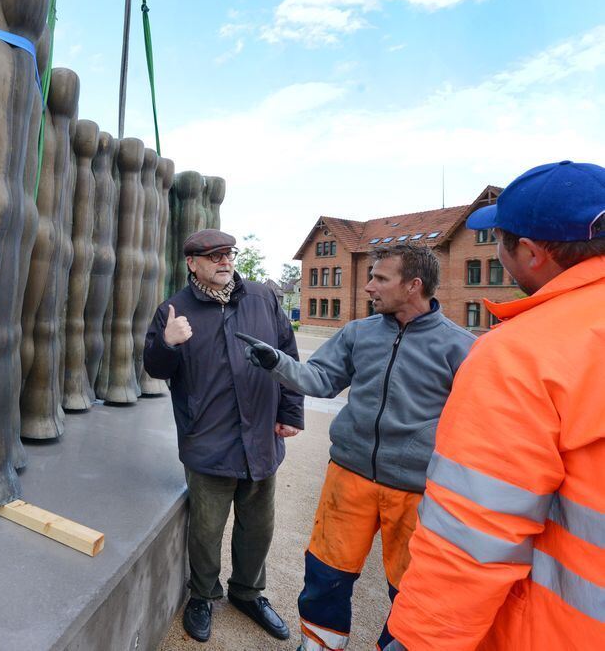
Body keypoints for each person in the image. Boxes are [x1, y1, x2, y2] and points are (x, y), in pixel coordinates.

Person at [384, 160, 605, 650]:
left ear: (529, 252)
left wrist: (420, 639)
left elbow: (474, 529)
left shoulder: (525, 352)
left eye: (499, 242)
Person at [236, 241, 475, 651]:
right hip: (349, 476)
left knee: (412, 586)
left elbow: (473, 425)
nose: (368, 287)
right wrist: (276, 361)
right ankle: (319, 645)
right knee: (326, 573)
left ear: (413, 285)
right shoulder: (358, 332)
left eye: (380, 278)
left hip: (417, 490)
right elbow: (320, 379)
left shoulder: (461, 347)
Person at [144, 228, 304, 643]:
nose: (224, 261)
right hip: (208, 439)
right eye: (213, 255)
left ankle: (249, 593)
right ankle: (203, 596)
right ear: (192, 263)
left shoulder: (262, 298)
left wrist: (290, 411)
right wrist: (168, 343)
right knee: (206, 529)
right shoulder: (173, 310)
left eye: (228, 253)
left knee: (258, 524)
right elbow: (156, 369)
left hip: (262, 438)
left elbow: (287, 356)